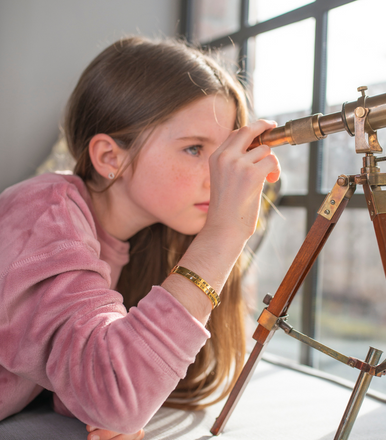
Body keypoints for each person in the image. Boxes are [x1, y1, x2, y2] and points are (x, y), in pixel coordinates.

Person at [0, 36, 280, 440]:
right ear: (110, 158)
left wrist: (91, 399)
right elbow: (116, 393)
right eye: (193, 149)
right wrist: (224, 233)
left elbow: (48, 359)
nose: (219, 172)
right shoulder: (43, 216)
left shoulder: (120, 242)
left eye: (222, 153)